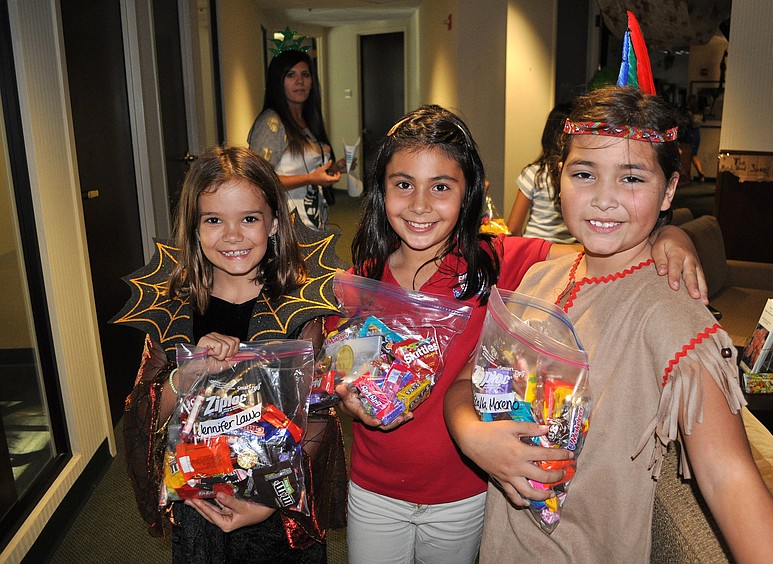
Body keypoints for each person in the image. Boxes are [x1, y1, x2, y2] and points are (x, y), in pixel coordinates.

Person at [333, 104, 709, 564]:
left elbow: (596, 245)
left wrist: (672, 237)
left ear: (470, 193)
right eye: (403, 184)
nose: (419, 205)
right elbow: (348, 364)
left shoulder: (497, 259)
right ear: (381, 190)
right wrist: (349, 393)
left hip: (464, 492)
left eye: (442, 187)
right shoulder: (362, 278)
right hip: (375, 487)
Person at [444, 87, 773, 562]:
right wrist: (473, 435)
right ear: (558, 179)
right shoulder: (539, 277)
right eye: (584, 174)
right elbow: (466, 382)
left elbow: (728, 475)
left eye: (631, 178)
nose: (604, 199)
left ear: (669, 190)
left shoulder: (669, 310)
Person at [123, 147, 347, 563]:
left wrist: (267, 504)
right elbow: (142, 413)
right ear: (193, 228)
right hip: (199, 505)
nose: (232, 236)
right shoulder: (175, 311)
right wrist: (187, 375)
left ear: (274, 223)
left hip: (276, 508)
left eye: (249, 218)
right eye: (213, 220)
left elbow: (318, 417)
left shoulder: (300, 310)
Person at [248, 48, 349, 230]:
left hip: (313, 217)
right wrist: (310, 178)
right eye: (291, 75)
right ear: (278, 82)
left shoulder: (308, 121)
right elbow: (257, 180)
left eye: (305, 74)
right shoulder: (271, 123)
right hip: (286, 222)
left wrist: (332, 168)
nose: (299, 81)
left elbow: (303, 167)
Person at [506, 103, 575, 243]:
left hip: (537, 251)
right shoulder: (579, 176)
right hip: (569, 253)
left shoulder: (534, 173)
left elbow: (513, 227)